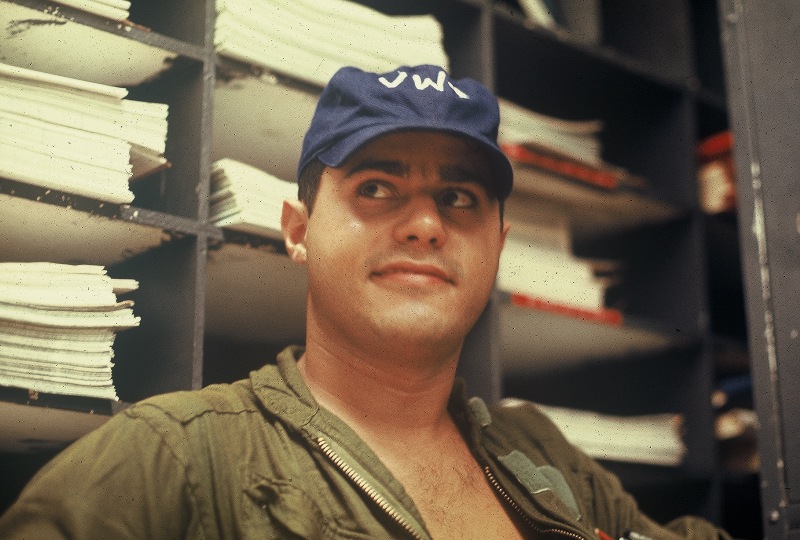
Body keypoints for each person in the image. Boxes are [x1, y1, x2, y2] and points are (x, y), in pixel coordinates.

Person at [0, 64, 731, 539]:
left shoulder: (538, 451)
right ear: (298, 232)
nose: (424, 225)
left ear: (497, 246)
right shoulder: (175, 458)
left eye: (459, 198)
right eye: (377, 187)